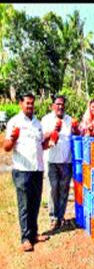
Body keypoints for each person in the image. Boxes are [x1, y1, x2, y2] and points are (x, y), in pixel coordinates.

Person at [3, 93, 50, 252]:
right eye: (27, 103)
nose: (30, 106)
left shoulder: (37, 123)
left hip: (37, 169)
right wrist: (14, 138)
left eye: (32, 103)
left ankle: (34, 233)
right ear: (20, 104)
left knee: (35, 203)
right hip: (22, 170)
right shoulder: (14, 122)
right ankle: (25, 238)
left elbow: (41, 145)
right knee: (24, 205)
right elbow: (6, 147)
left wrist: (49, 141)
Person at [41, 95, 78, 231]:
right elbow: (42, 138)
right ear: (53, 106)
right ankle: (53, 217)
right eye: (58, 104)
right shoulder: (46, 119)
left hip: (66, 161)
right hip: (51, 160)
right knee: (52, 189)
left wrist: (76, 128)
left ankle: (60, 216)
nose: (60, 107)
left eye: (62, 104)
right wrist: (53, 131)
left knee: (64, 190)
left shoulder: (69, 120)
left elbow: (75, 136)